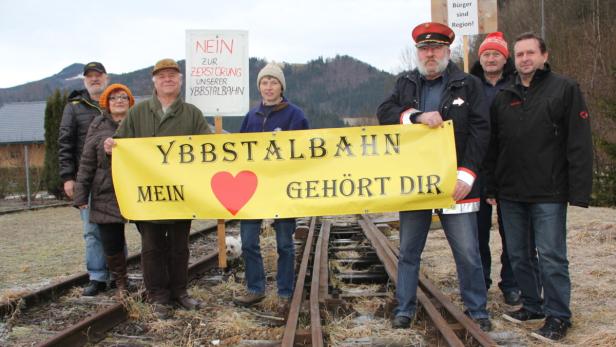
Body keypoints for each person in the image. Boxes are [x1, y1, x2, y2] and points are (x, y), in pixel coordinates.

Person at [377, 22, 492, 331]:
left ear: (447, 51)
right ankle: (404, 308)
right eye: (424, 49)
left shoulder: (468, 84)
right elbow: (384, 112)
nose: (430, 54)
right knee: (409, 251)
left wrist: (467, 174)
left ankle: (477, 310)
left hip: (457, 183)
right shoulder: (405, 83)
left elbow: (481, 131)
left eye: (436, 48)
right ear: (418, 53)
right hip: (416, 184)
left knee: (467, 251)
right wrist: (414, 116)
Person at [485, 32, 593, 342]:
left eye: (530, 53)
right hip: (510, 192)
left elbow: (579, 142)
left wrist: (579, 191)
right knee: (518, 255)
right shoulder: (504, 96)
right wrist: (492, 186)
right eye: (519, 54)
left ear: (544, 56)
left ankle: (559, 315)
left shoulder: (565, 89)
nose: (525, 59)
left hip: (550, 191)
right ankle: (532, 305)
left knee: (551, 256)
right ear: (513, 60)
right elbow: (494, 147)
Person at [104, 59, 212, 317]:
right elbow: (121, 144)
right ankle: (158, 297)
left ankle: (180, 292)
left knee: (179, 246)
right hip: (148, 196)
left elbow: (208, 150)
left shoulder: (192, 114)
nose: (167, 79)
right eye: (162, 76)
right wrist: (112, 146)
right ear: (154, 81)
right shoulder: (138, 112)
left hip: (182, 194)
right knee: (152, 247)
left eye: (172, 75)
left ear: (180, 80)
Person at [233, 63, 309, 308]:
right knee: (249, 242)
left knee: (285, 244)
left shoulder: (295, 115)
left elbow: (305, 151)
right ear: (259, 87)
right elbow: (240, 152)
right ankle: (256, 288)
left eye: (273, 82)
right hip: (252, 189)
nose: (268, 87)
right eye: (264, 83)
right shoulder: (251, 116)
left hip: (283, 188)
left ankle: (285, 291)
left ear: (281, 87)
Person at [470, 32, 526, 306]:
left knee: (512, 231)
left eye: (496, 54)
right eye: (486, 54)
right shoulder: (469, 85)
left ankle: (512, 283)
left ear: (505, 58)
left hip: (510, 166)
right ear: (479, 59)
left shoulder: (518, 84)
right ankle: (480, 280)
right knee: (477, 231)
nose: (490, 59)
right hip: (478, 167)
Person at [74, 84, 135, 298]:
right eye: (114, 98)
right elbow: (87, 162)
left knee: (152, 235)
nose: (119, 101)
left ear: (130, 102)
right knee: (111, 240)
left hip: (138, 189)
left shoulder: (140, 123)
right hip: (106, 191)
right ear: (107, 103)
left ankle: (157, 280)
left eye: (123, 97)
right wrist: (80, 195)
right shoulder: (98, 125)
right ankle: (121, 282)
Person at [58, 62, 113, 296]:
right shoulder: (74, 107)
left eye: (98, 75)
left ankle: (118, 273)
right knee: (92, 230)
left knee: (114, 228)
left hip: (115, 178)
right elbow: (65, 143)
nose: (94, 79)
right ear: (84, 81)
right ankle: (98, 276)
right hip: (87, 178)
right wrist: (68, 177)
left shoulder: (117, 102)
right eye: (89, 76)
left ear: (106, 78)